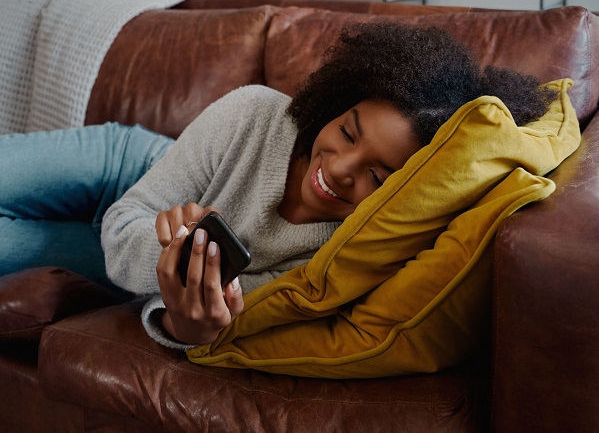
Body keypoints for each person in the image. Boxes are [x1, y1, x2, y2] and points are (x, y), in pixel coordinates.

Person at [0, 22, 557, 349]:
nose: (341, 168)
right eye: (346, 131)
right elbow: (134, 216)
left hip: (125, 248)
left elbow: (138, 268)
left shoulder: (335, 262)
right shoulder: (254, 113)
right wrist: (161, 243)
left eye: (377, 176)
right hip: (127, 162)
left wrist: (183, 319)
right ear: (336, 104)